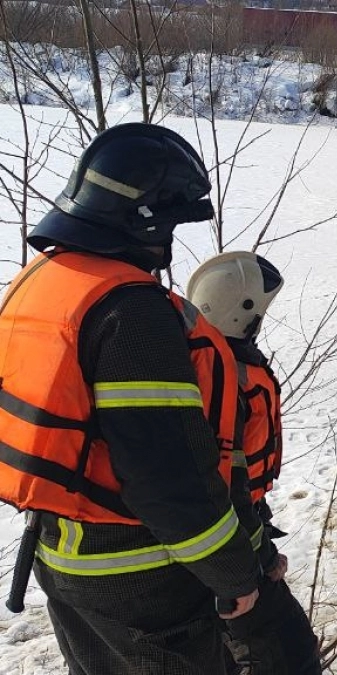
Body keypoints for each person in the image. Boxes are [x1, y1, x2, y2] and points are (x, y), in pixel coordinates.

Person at [0, 123, 260, 673]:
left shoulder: (41, 280)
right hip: (139, 577)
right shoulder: (132, 311)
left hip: (59, 555)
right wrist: (233, 573)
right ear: (145, 218)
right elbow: (166, 474)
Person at [187, 251, 321, 675]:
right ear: (241, 313)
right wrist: (259, 556)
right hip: (231, 548)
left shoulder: (207, 363)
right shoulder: (224, 378)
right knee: (287, 656)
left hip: (233, 536)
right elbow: (223, 483)